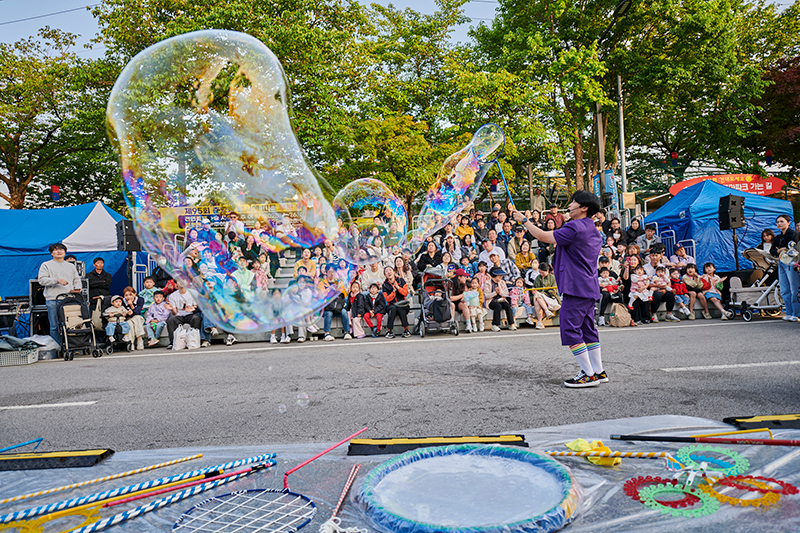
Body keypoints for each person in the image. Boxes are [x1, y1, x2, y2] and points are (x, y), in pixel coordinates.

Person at [513, 191, 606, 387]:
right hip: (588, 286)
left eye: (573, 202)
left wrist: (524, 220)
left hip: (576, 287)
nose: (569, 205)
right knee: (588, 328)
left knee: (570, 328)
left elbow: (542, 235)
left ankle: (588, 374)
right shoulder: (590, 226)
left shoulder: (575, 227)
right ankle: (598, 371)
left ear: (584, 208)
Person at [38, 243, 82, 349]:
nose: (59, 251)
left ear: (65, 252)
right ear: (51, 253)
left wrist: (77, 289)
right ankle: (57, 348)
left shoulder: (70, 266)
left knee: (70, 324)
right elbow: (41, 280)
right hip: (52, 299)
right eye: (56, 250)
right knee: (54, 326)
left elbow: (77, 279)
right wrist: (56, 280)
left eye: (61, 249)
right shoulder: (46, 265)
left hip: (68, 299)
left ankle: (70, 346)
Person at [773, 214, 800, 321]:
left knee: (794, 289)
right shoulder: (778, 237)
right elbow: (772, 251)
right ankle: (789, 312)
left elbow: (794, 249)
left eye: (782, 221)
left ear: (788, 223)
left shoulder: (794, 234)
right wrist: (779, 250)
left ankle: (796, 313)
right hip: (781, 263)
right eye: (778, 222)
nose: (779, 224)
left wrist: (782, 249)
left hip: (792, 263)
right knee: (784, 289)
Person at [643, 248, 680, 322]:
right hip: (651, 290)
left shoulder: (664, 268)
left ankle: (669, 314)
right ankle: (653, 314)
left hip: (664, 288)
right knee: (657, 294)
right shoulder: (645, 268)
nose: (654, 257)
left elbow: (668, 281)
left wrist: (665, 288)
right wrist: (658, 287)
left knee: (670, 294)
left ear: (660, 256)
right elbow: (646, 284)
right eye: (652, 255)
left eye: (656, 255)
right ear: (649, 256)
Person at [166, 282, 203, 348]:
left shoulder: (193, 293)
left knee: (196, 318)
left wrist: (192, 308)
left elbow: (196, 306)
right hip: (179, 315)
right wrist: (171, 309)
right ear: (176, 283)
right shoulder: (173, 296)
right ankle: (172, 342)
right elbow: (175, 312)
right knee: (170, 320)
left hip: (190, 314)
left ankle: (195, 340)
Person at [318, 265, 351, 341]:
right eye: (329, 272)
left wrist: (338, 289)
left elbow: (344, 294)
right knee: (328, 313)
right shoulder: (322, 283)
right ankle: (326, 333)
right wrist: (330, 289)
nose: (331, 273)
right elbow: (321, 295)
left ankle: (347, 332)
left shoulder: (339, 281)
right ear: (326, 273)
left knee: (344, 312)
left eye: (333, 272)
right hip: (328, 307)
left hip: (338, 306)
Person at [382, 266, 411, 338]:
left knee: (400, 308)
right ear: (385, 275)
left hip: (403, 304)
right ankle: (389, 330)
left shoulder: (401, 280)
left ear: (393, 272)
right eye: (386, 271)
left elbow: (405, 293)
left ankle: (406, 329)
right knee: (393, 308)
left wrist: (398, 288)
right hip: (391, 305)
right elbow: (387, 299)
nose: (389, 272)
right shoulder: (385, 285)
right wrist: (394, 292)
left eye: (390, 270)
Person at [485, 266, 515, 332]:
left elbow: (506, 293)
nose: (501, 277)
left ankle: (511, 324)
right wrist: (495, 293)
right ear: (494, 275)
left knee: (507, 305)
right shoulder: (487, 283)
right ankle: (495, 325)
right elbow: (487, 296)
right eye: (499, 275)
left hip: (501, 299)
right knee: (497, 306)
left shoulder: (502, 282)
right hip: (491, 301)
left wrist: (500, 293)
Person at [531, 263, 560, 329]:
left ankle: (540, 322)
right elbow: (534, 287)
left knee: (538, 296)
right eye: (540, 272)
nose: (541, 274)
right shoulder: (538, 277)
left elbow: (553, 291)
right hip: (540, 298)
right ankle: (542, 318)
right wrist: (534, 290)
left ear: (547, 270)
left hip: (550, 297)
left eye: (542, 272)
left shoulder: (552, 277)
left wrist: (542, 293)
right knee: (537, 301)